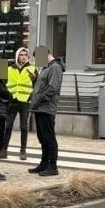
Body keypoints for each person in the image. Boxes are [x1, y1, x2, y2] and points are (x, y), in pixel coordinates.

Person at [29, 49, 65, 177]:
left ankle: (52, 165)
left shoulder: (55, 68)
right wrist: (35, 81)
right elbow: (44, 85)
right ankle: (44, 163)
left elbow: (53, 88)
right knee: (42, 137)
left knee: (49, 137)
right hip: (39, 108)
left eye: (37, 58)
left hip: (46, 108)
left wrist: (39, 99)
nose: (36, 62)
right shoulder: (46, 68)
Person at [4, 47, 37, 161]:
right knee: (7, 126)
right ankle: (4, 149)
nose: (23, 57)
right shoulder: (9, 68)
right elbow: (0, 82)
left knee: (24, 127)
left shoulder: (33, 69)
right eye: (21, 55)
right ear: (17, 56)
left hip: (25, 102)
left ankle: (23, 150)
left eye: (25, 55)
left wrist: (31, 98)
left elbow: (37, 85)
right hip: (12, 101)